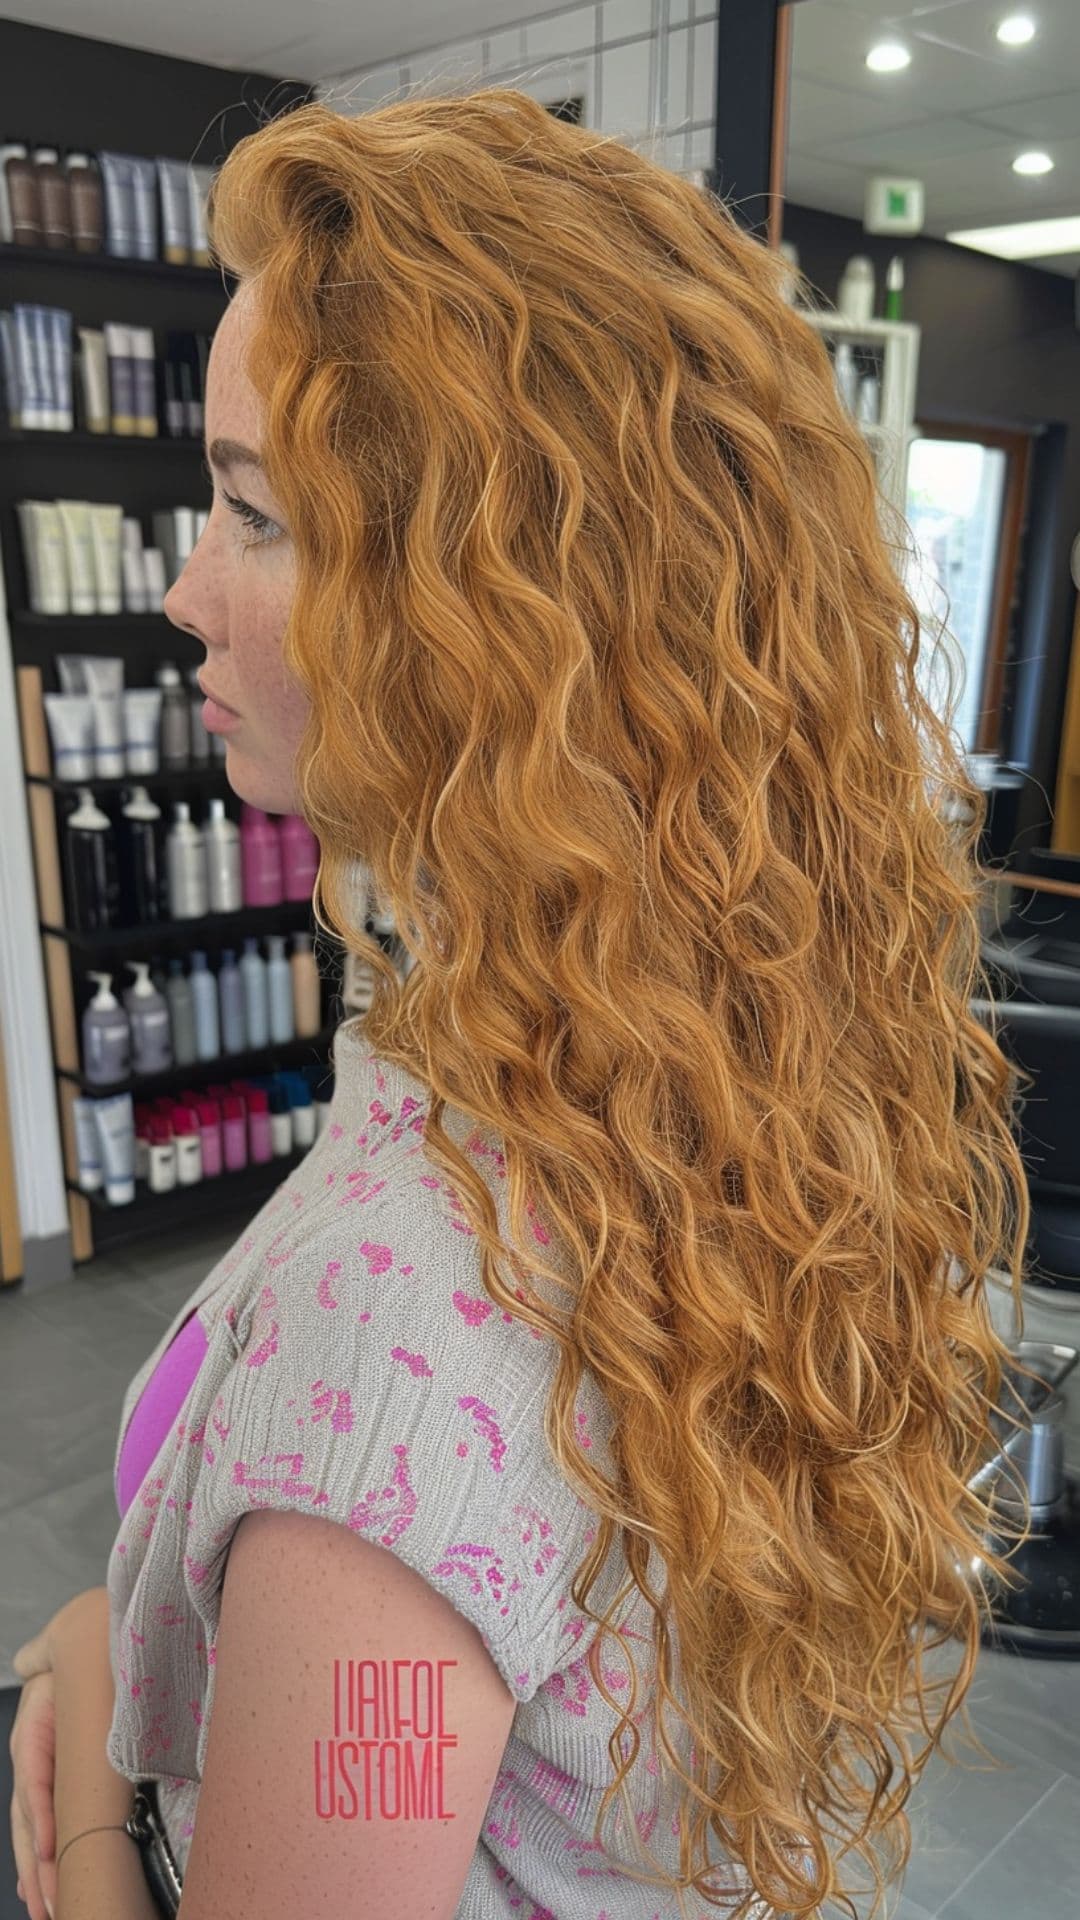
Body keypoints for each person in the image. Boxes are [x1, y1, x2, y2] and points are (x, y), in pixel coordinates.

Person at [9, 89, 1034, 1920]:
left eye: (253, 514)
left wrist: (93, 1711)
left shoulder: (391, 1331)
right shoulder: (711, 1057)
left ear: (487, 608)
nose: (180, 594)